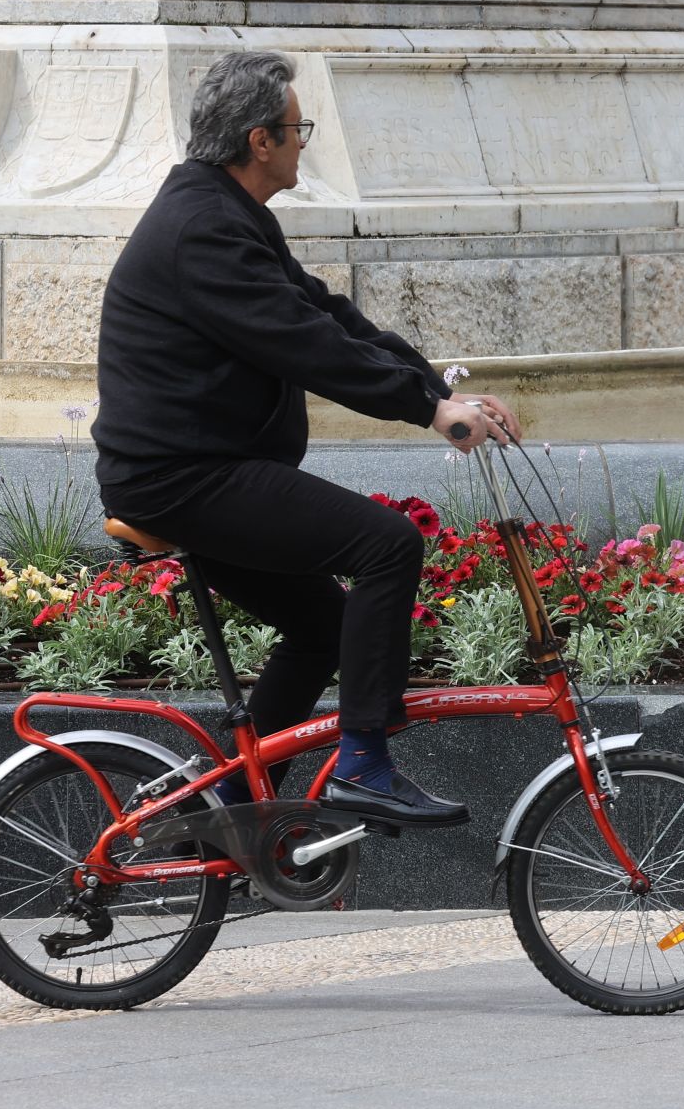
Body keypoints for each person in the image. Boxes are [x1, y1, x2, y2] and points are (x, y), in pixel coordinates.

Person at [91, 51, 519, 827]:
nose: (302, 144)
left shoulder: (223, 212)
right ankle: (363, 763)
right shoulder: (202, 231)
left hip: (200, 469)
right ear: (260, 140)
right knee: (387, 544)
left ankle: (230, 809)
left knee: (323, 623)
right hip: (182, 479)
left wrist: (437, 391)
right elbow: (304, 345)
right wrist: (425, 413)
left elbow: (328, 315)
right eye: (297, 129)